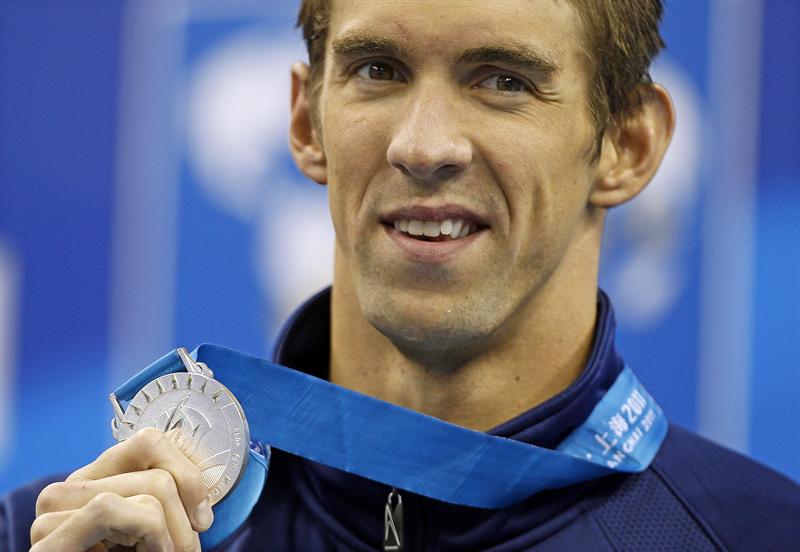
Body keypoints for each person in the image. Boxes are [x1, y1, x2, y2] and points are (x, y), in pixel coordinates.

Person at [4, 0, 800, 550]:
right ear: (306, 122)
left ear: (629, 145)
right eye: (379, 69)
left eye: (503, 80)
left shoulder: (762, 536)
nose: (422, 146)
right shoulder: (59, 533)